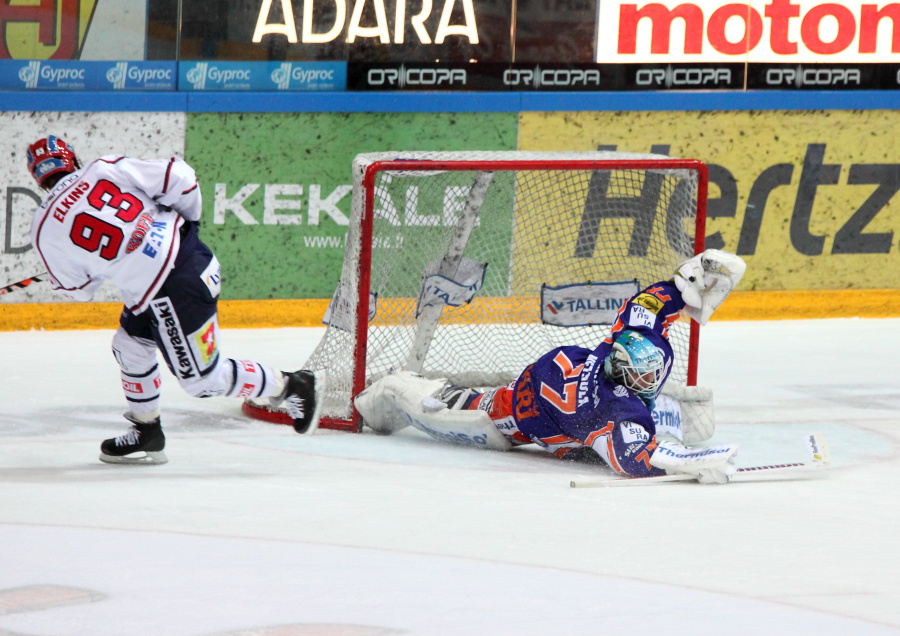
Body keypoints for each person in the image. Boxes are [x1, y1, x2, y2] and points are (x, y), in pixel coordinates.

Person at [26, 136, 323, 465]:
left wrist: (93, 268)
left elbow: (79, 292)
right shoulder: (103, 169)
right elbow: (181, 177)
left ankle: (292, 385)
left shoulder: (43, 229)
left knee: (202, 382)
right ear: (72, 159)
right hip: (179, 270)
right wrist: (188, 225)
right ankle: (147, 430)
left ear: (37, 178)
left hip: (176, 288)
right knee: (130, 346)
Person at [355, 249, 746, 484]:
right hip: (516, 417)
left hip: (551, 386)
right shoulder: (612, 409)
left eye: (651, 374)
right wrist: (687, 464)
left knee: (666, 416)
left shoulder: (626, 344)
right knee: (445, 407)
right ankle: (385, 395)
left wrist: (684, 285)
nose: (649, 380)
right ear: (623, 372)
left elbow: (648, 306)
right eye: (641, 376)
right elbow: (634, 460)